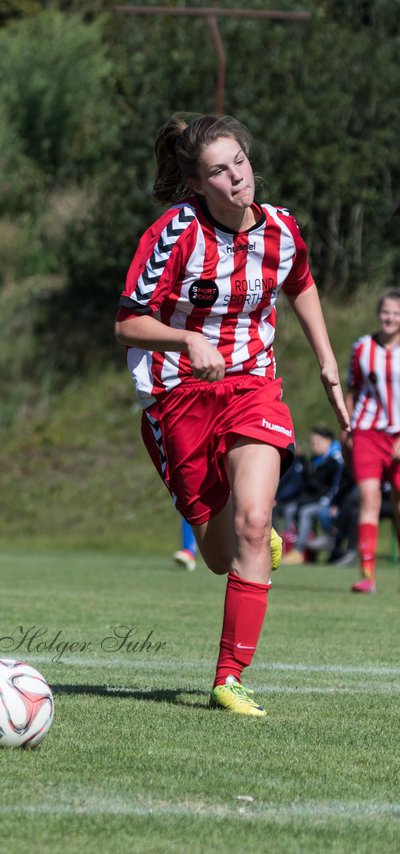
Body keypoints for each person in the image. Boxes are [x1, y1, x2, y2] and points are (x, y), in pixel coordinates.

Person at [115, 113, 350, 717]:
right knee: (220, 555)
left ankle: (229, 677)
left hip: (253, 387)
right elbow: (127, 322)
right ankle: (247, 539)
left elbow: (300, 282)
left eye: (239, 162)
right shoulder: (174, 233)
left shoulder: (280, 227)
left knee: (251, 522)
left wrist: (326, 362)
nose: (236, 178)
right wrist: (186, 341)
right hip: (178, 394)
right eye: (218, 171)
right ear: (198, 183)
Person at [343, 290, 400, 593]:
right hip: (367, 432)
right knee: (369, 499)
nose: (390, 318)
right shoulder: (362, 348)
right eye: (386, 312)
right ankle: (367, 575)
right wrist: (346, 427)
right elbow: (353, 389)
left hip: (399, 434)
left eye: (396, 313)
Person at [275, 427, 343, 564]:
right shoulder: (315, 460)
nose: (313, 446)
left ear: (328, 441)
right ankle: (285, 546)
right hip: (314, 500)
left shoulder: (336, 459)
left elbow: (337, 486)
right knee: (291, 508)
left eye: (317, 442)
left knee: (306, 512)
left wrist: (329, 502)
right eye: (312, 442)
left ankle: (299, 550)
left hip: (329, 503)